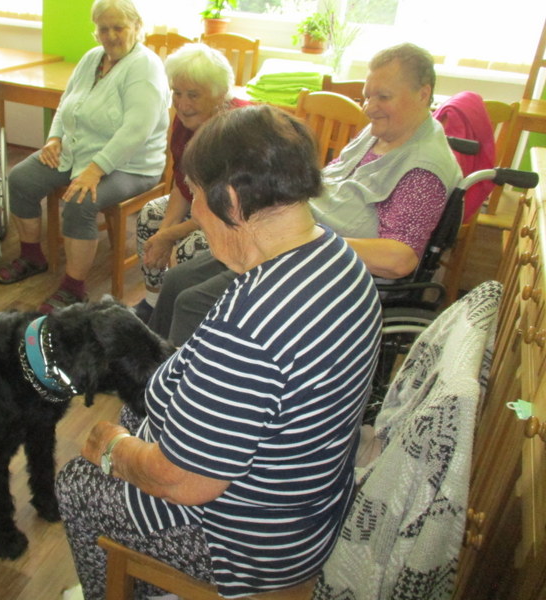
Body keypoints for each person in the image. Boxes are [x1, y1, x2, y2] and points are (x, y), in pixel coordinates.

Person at [56, 105, 383, 600]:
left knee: (79, 483)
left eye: (195, 196)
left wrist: (115, 451)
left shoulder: (254, 324)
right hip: (305, 508)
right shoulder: (337, 257)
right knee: (134, 410)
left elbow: (184, 482)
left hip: (244, 543)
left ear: (229, 199)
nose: (194, 214)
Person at [149, 42, 462, 346]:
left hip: (319, 268)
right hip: (288, 241)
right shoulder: (378, 134)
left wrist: (306, 239)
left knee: (193, 303)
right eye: (368, 96)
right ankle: (152, 367)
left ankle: (185, 377)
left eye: (383, 97)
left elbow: (400, 259)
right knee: (178, 280)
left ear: (423, 94)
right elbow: (328, 182)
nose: (369, 108)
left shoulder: (423, 169)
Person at [0, 0, 169, 314]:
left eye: (119, 27)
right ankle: (32, 256)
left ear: (137, 27)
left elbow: (136, 131)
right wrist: (54, 138)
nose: (111, 35)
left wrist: (96, 169)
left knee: (80, 201)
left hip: (131, 164)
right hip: (79, 151)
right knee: (21, 179)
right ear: (96, 31)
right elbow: (67, 103)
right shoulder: (92, 58)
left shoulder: (145, 67)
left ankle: (74, 288)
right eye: (104, 28)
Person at [133, 43, 249, 323]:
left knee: (190, 248)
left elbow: (226, 208)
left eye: (193, 95)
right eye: (177, 93)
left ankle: (190, 321)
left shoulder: (235, 131)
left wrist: (170, 236)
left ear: (220, 94)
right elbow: (182, 186)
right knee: (151, 216)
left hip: (238, 218)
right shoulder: (186, 121)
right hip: (203, 206)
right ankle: (154, 304)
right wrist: (164, 232)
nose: (183, 104)